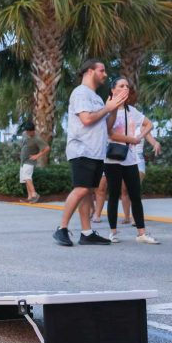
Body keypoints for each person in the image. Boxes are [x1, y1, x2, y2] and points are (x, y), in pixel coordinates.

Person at [53, 59, 127, 247]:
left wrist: (113, 109)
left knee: (87, 191)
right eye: (102, 70)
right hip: (82, 149)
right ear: (89, 71)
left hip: (95, 151)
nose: (105, 74)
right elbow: (86, 119)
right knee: (82, 189)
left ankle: (86, 233)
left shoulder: (96, 98)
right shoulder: (80, 93)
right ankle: (61, 228)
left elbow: (107, 127)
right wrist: (107, 108)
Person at [102, 77, 159, 244]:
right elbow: (110, 133)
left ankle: (141, 233)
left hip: (130, 159)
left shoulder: (131, 111)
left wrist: (139, 137)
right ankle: (113, 232)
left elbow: (149, 124)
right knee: (113, 195)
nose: (125, 88)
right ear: (113, 90)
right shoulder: (106, 109)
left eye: (127, 86)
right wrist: (131, 139)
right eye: (121, 86)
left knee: (135, 195)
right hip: (112, 159)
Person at [19, 121, 48, 203]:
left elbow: (47, 148)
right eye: (27, 131)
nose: (28, 133)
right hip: (23, 161)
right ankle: (29, 197)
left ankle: (34, 194)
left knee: (27, 177)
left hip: (30, 161)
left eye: (29, 132)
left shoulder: (37, 138)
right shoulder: (24, 133)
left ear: (33, 130)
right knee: (25, 179)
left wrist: (37, 156)